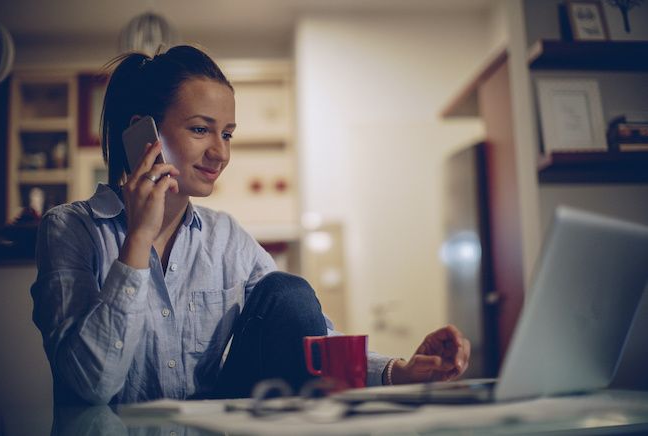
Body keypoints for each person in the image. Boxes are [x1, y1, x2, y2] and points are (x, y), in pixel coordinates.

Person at [30, 45, 470, 405]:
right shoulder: (70, 230)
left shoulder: (227, 239)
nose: (220, 153)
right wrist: (139, 239)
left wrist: (398, 372)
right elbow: (91, 384)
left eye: (228, 134)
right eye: (202, 130)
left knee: (289, 292)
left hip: (211, 428)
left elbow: (309, 331)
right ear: (144, 134)